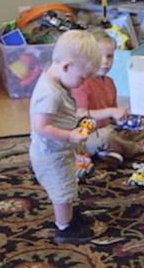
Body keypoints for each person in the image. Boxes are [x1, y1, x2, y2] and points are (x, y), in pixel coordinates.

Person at [29, 30, 101, 244]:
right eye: (82, 77)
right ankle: (64, 229)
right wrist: (70, 135)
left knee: (68, 184)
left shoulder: (57, 81)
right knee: (62, 191)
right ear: (66, 66)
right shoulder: (49, 93)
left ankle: (69, 215)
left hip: (59, 150)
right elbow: (41, 126)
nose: (83, 83)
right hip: (51, 155)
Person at [71, 29, 144, 161]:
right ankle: (138, 148)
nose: (105, 61)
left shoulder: (109, 82)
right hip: (87, 135)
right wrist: (110, 112)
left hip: (108, 128)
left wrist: (122, 120)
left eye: (110, 56)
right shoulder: (81, 83)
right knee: (106, 137)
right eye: (99, 56)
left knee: (143, 125)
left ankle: (112, 150)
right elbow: (80, 114)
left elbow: (114, 116)